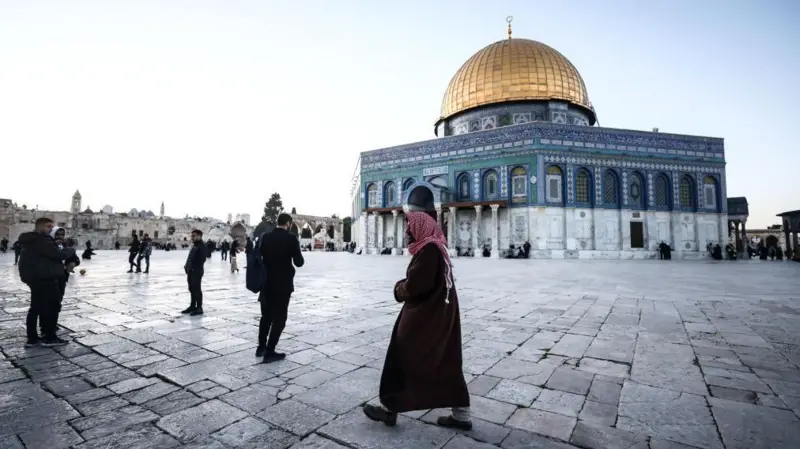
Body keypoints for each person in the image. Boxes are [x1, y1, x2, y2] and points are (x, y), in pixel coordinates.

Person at [362, 211, 471, 430]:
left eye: (410, 227)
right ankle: (461, 415)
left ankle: (390, 409)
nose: (407, 231)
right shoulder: (434, 248)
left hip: (426, 318)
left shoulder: (429, 250)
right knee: (444, 362)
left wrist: (399, 289)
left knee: (403, 357)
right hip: (436, 315)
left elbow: (416, 286)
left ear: (420, 228)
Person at [17, 218, 77, 347]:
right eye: (48, 226)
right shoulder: (41, 240)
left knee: (36, 308)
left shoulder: (31, 240)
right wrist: (71, 250)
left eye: (51, 226)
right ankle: (50, 337)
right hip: (45, 278)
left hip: (37, 278)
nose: (51, 228)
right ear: (39, 227)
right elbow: (58, 255)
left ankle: (32, 339)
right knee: (52, 307)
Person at [257, 214, 304, 362]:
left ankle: (261, 347)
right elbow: (299, 262)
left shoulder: (265, 237)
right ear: (288, 223)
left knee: (266, 317)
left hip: (266, 283)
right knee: (280, 319)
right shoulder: (290, 238)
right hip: (283, 285)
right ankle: (270, 351)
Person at [182, 230, 207, 316]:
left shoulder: (202, 246)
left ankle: (199, 308)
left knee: (197, 289)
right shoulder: (195, 245)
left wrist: (194, 268)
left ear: (199, 236)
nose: (192, 237)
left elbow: (202, 259)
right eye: (192, 236)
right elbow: (191, 257)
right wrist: (186, 266)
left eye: (194, 236)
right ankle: (193, 306)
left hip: (196, 271)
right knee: (191, 288)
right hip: (190, 271)